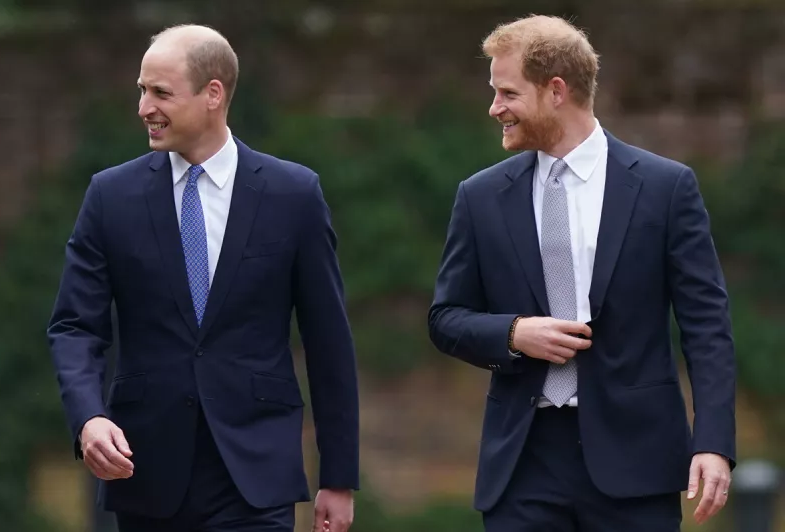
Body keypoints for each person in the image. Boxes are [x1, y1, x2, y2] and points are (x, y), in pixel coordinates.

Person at [428, 14, 736, 532]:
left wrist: (713, 442)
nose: (494, 108)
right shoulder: (479, 197)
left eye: (507, 92)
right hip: (522, 463)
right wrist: (512, 333)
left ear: (555, 91)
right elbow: (445, 318)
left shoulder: (666, 188)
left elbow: (707, 327)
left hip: (637, 462)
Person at [47, 24, 358, 532]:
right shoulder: (110, 196)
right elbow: (75, 326)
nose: (144, 107)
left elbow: (329, 344)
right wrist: (88, 417)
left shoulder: (293, 194)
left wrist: (338, 477)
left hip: (256, 475)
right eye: (142, 90)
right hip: (145, 470)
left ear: (214, 93)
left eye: (161, 93)